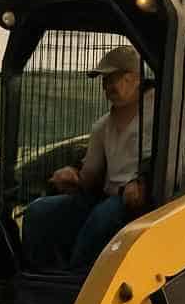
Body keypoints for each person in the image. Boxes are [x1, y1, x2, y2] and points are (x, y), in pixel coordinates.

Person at [21, 44, 150, 276]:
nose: (107, 86)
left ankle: (76, 281)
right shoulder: (102, 126)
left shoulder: (161, 113)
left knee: (102, 219)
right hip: (108, 198)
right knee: (37, 212)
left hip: (146, 204)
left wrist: (144, 181)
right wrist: (72, 177)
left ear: (136, 78)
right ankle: (42, 276)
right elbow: (90, 178)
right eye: (105, 80)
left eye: (115, 78)